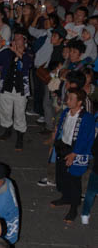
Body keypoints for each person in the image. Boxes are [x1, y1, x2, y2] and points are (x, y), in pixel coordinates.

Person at [50, 88, 95, 223]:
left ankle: (74, 207)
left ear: (80, 102)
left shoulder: (87, 118)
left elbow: (86, 139)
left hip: (77, 151)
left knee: (74, 180)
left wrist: (74, 154)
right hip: (64, 147)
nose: (67, 101)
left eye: (71, 99)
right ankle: (65, 197)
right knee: (62, 176)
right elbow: (62, 129)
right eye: (67, 98)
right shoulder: (66, 112)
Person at [0, 31, 34, 150]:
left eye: (19, 38)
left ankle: (20, 136)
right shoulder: (8, 52)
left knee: (20, 113)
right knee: (4, 110)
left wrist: (16, 51)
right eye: (15, 38)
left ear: (25, 40)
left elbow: (28, 63)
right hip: (6, 86)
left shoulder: (29, 52)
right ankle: (7, 129)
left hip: (20, 88)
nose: (16, 40)